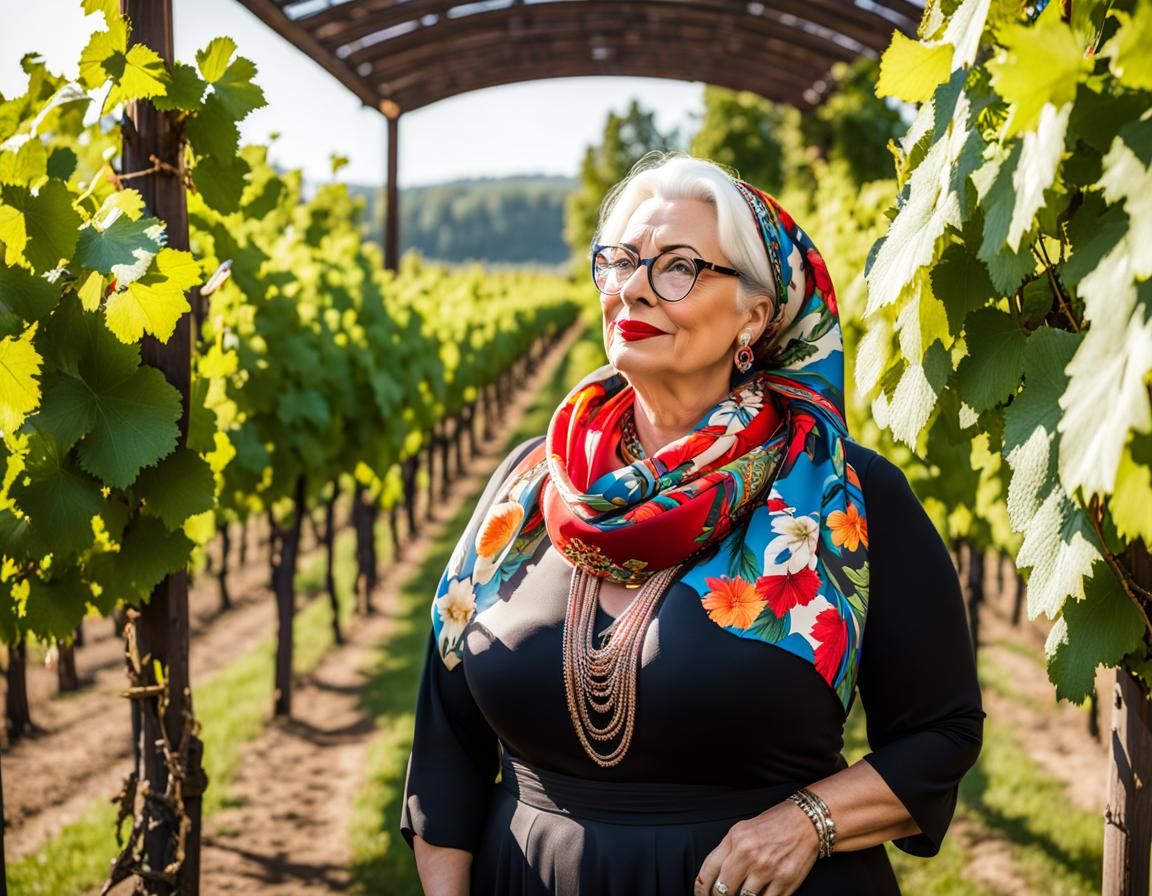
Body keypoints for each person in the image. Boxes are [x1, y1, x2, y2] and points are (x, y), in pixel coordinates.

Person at [400, 152, 984, 896]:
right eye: (619, 262)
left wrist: (808, 821)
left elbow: (942, 731)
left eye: (677, 266)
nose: (633, 288)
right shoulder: (528, 485)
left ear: (755, 316)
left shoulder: (843, 495)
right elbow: (445, 742)